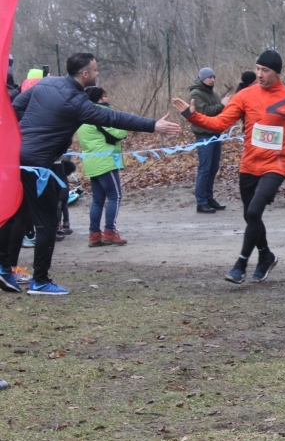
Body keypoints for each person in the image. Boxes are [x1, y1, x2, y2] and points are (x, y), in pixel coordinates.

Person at [0, 52, 180, 295]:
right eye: (95, 70)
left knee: (15, 215)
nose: (97, 74)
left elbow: (14, 109)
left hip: (17, 158)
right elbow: (112, 117)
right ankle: (40, 281)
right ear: (85, 74)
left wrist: (30, 134)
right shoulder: (77, 102)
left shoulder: (47, 83)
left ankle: (3, 269)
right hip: (39, 166)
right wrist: (153, 125)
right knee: (47, 224)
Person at [172, 49, 285, 284]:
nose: (259, 74)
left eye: (265, 70)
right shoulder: (245, 96)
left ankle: (241, 263)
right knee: (249, 216)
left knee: (253, 212)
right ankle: (266, 256)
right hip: (249, 164)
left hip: (276, 166)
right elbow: (220, 124)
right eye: (257, 69)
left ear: (277, 73)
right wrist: (192, 116)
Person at [77, 86, 129, 247]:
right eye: (105, 96)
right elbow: (119, 133)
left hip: (91, 162)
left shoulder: (82, 115)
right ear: (99, 99)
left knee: (97, 200)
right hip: (106, 161)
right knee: (115, 196)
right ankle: (109, 231)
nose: (107, 99)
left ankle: (94, 234)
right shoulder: (100, 114)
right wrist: (123, 122)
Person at [190, 67, 230, 213]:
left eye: (213, 77)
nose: (212, 80)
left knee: (213, 168)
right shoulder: (196, 94)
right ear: (202, 79)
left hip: (215, 134)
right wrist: (222, 105)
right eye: (209, 77)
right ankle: (201, 202)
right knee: (205, 169)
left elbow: (218, 112)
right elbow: (205, 112)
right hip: (204, 136)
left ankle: (209, 198)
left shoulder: (212, 93)